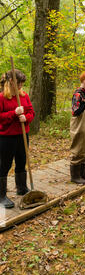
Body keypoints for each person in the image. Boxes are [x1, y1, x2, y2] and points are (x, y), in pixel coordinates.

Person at [0, 70, 35, 208]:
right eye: (19, 83)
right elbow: (1, 118)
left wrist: (26, 117)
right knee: (5, 165)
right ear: (11, 82)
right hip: (6, 137)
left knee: (21, 161)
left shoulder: (24, 96)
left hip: (22, 134)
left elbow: (31, 112)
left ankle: (21, 188)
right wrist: (14, 113)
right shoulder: (2, 97)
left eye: (22, 83)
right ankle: (1, 195)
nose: (21, 85)